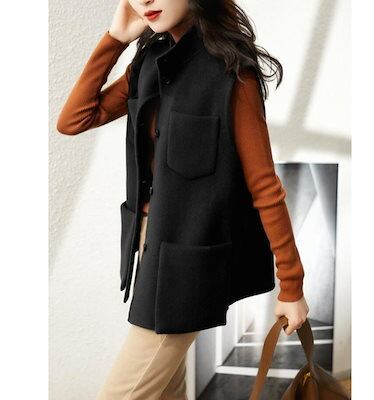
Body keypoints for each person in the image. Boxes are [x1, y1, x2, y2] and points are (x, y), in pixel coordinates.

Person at [57, 0, 309, 399]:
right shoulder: (148, 62)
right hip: (148, 244)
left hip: (188, 265)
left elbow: (264, 186)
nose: (145, 1)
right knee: (166, 393)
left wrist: (291, 286)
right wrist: (115, 40)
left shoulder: (232, 73)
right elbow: (74, 120)